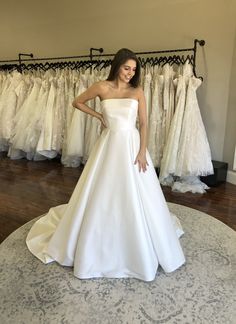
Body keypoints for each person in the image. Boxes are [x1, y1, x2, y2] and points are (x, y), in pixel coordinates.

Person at [26, 48, 185, 282]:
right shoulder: (102, 87)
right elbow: (77, 101)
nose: (130, 73)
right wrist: (99, 116)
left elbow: (143, 124)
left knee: (136, 192)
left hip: (131, 146)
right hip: (108, 144)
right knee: (102, 190)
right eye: (126, 68)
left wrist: (142, 152)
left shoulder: (137, 91)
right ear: (118, 66)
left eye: (134, 69)